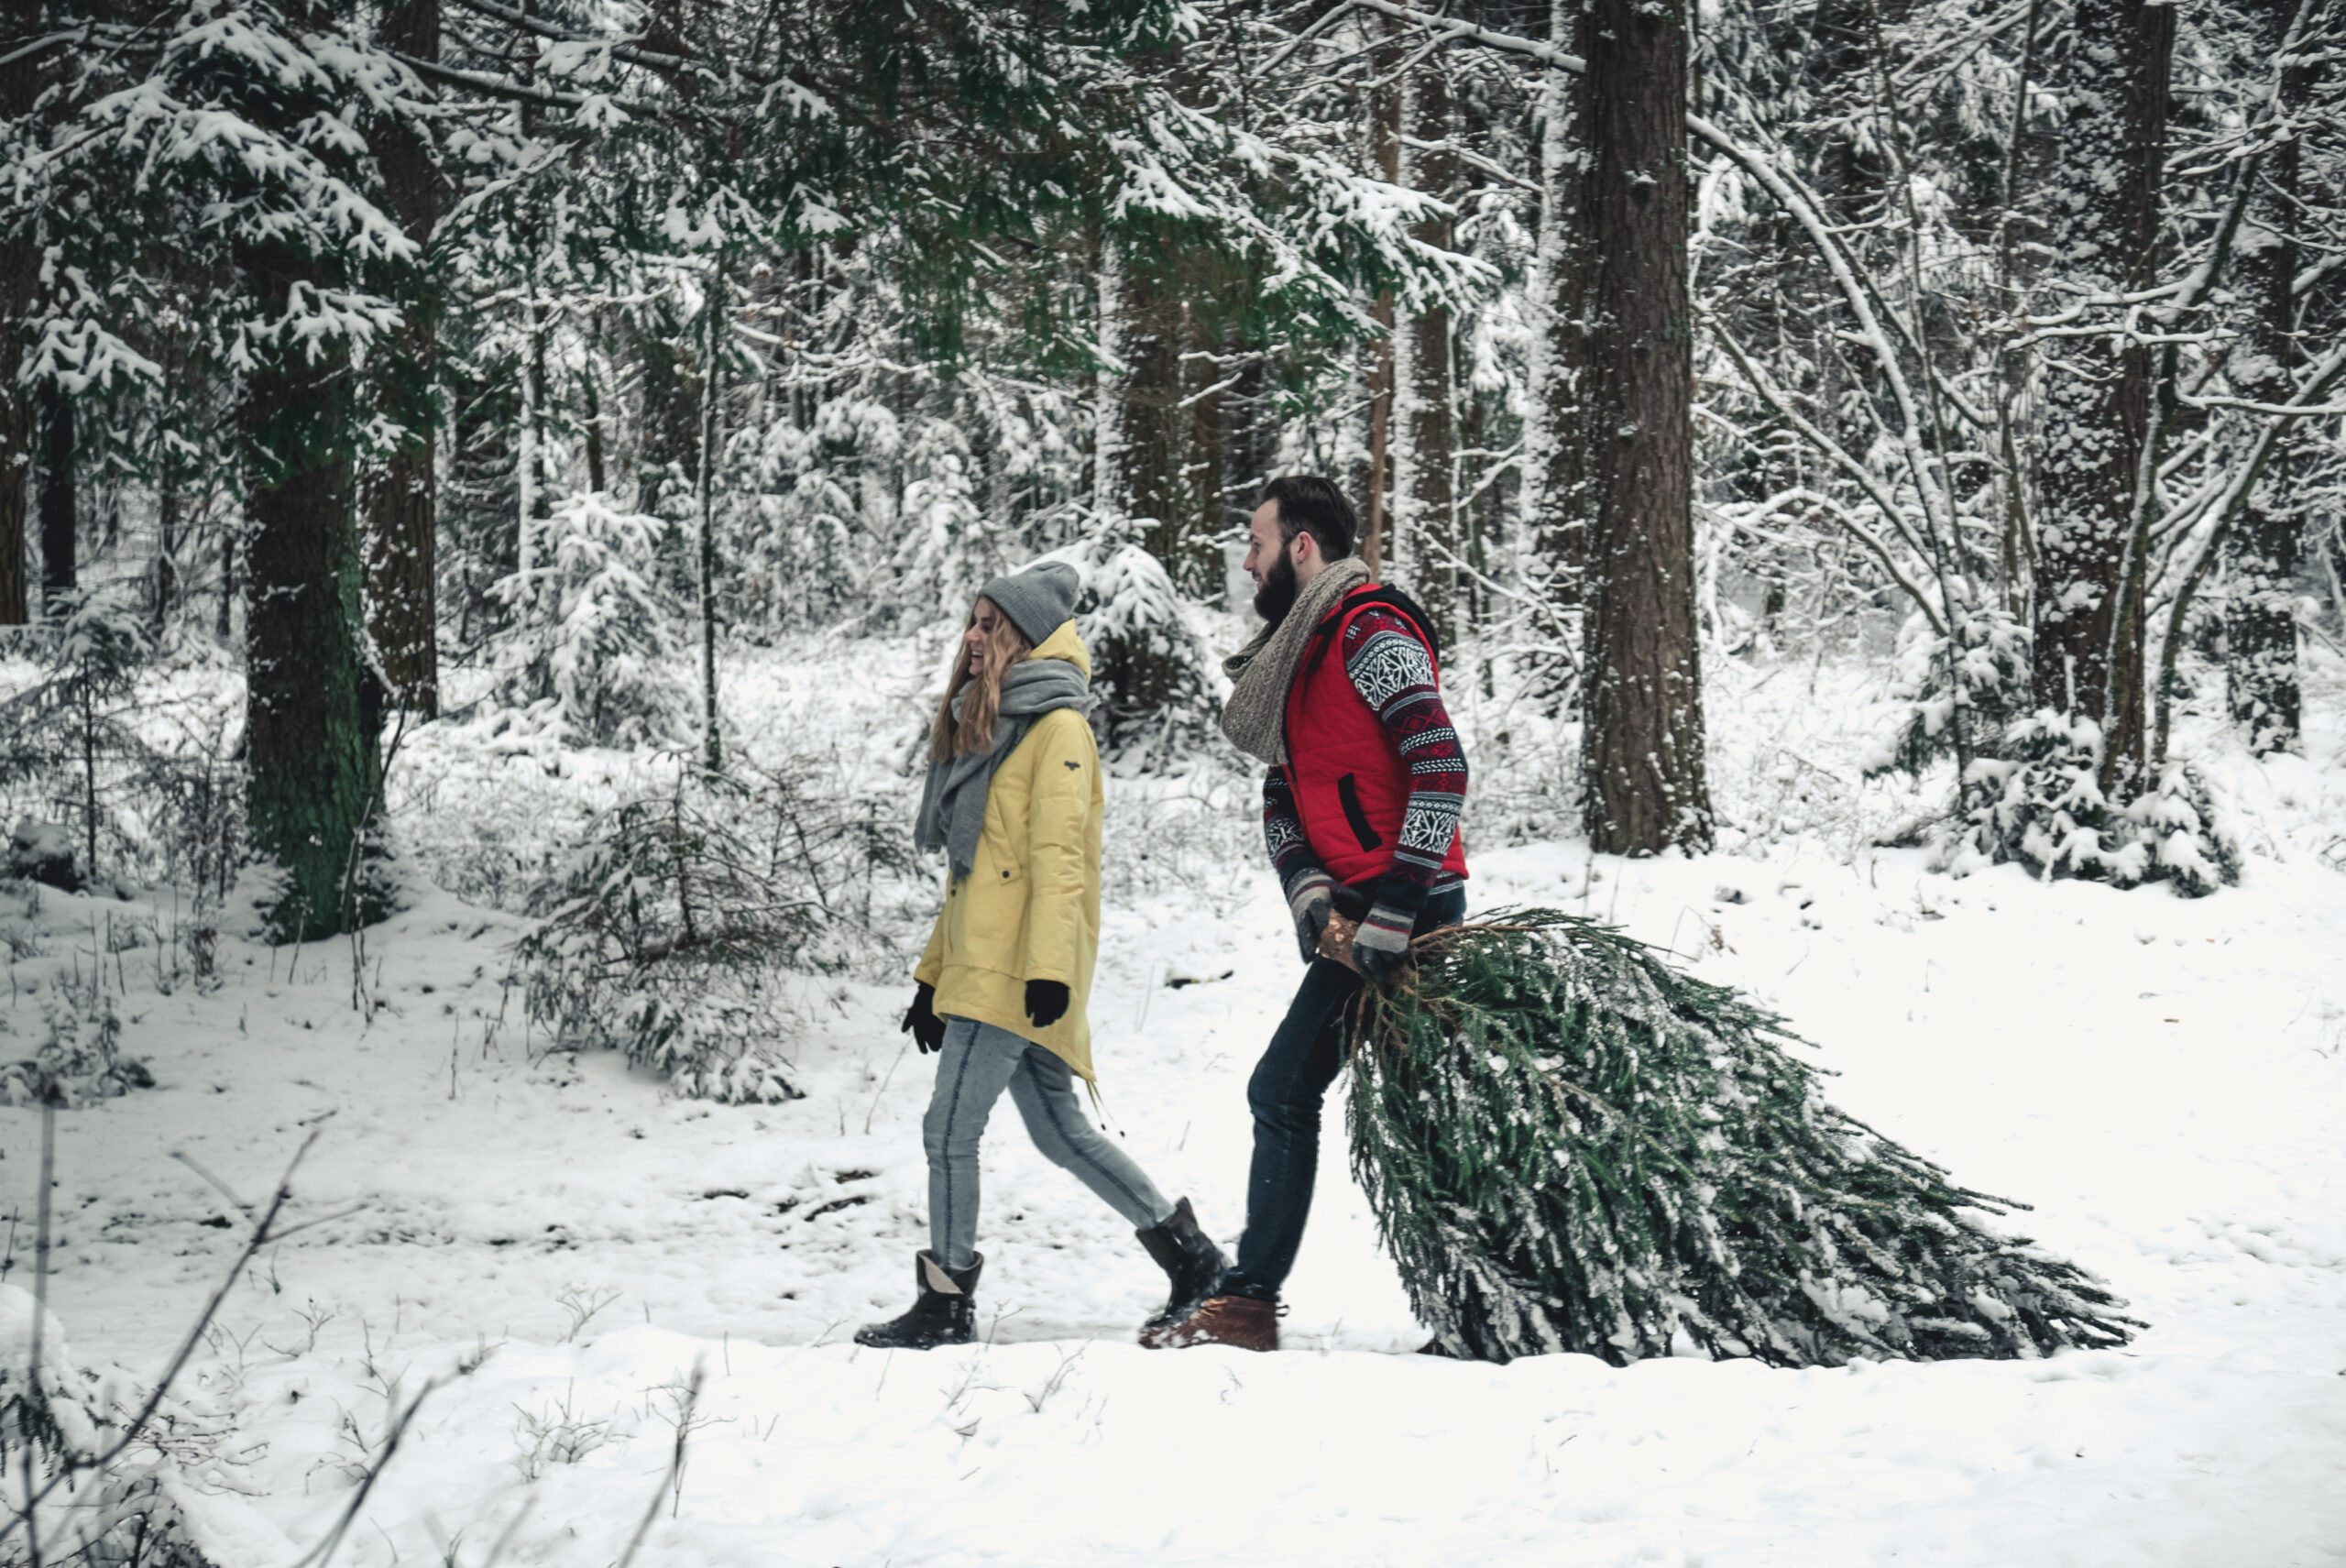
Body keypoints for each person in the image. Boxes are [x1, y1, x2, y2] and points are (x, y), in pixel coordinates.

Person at [857, 562, 1226, 1351]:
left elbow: (1061, 861)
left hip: (1019, 975)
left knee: (948, 1128)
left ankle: (946, 1301)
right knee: (1058, 1131)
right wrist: (931, 978)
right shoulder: (995, 728)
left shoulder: (1059, 729)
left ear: (1023, 634)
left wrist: (1052, 971)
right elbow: (975, 876)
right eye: (973, 622)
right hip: (988, 966)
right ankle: (1194, 1261)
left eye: (990, 625)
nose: (974, 637)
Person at [1143, 477, 1469, 1354]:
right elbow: (1283, 794)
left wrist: (1394, 912)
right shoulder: (1298, 652)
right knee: (1406, 1107)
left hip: (1411, 907)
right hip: (1353, 910)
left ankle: (1248, 1303)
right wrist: (1313, 897)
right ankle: (1464, 1308)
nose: (1245, 563)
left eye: (1256, 544)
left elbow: (1440, 765)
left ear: (1302, 546)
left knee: (1286, 1089)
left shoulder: (1369, 630)